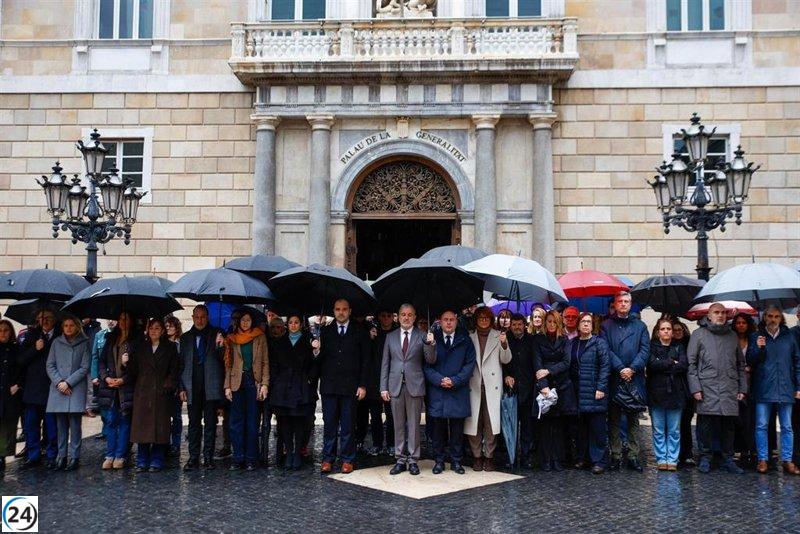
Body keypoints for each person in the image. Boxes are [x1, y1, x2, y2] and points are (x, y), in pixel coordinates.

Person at [687, 302, 747, 474]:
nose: (720, 315)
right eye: (716, 312)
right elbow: (692, 364)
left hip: (729, 386)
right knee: (705, 425)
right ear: (709, 315)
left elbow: (740, 365)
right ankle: (705, 457)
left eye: (723, 312)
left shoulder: (732, 336)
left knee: (728, 426)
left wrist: (742, 389)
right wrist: (695, 388)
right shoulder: (698, 334)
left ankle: (728, 458)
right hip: (707, 388)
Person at [312, 298, 370, 474]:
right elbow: (318, 362)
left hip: (350, 387)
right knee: (329, 425)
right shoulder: (325, 332)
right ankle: (328, 458)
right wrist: (316, 351)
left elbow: (365, 361)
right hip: (330, 386)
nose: (341, 312)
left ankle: (347, 459)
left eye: (344, 309)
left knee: (347, 425)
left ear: (350, 311)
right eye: (337, 309)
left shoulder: (360, 331)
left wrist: (363, 385)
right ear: (333, 311)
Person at [380, 303, 436, 476]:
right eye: (403, 314)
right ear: (398, 316)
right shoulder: (390, 337)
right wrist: (383, 387)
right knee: (397, 424)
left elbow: (431, 360)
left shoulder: (422, 336)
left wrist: (431, 344)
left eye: (410, 315)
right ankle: (400, 459)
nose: (406, 318)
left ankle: (413, 459)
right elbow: (385, 364)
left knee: (413, 424)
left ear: (414, 317)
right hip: (395, 385)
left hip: (415, 385)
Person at [747, 305, 800, 475]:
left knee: (787, 426)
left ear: (781, 318)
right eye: (770, 316)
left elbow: (797, 362)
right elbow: (751, 361)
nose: (773, 319)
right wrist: (759, 348)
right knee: (761, 425)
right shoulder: (756, 336)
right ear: (765, 318)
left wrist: (798, 386)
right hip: (764, 388)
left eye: (777, 316)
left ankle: (787, 460)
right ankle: (763, 459)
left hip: (785, 388)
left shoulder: (789, 337)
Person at [600, 291, 649, 472]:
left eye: (626, 301)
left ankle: (633, 456)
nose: (623, 304)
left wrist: (632, 369)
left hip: (634, 378)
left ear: (631, 304)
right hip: (615, 377)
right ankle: (615, 454)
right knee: (613, 419)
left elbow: (644, 350)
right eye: (620, 301)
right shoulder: (606, 326)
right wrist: (621, 368)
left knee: (633, 419)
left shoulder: (640, 326)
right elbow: (606, 350)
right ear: (615, 303)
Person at [424, 309, 476, 474]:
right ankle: (438, 461)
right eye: (445, 319)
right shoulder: (432, 339)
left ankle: (456, 461)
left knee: (457, 430)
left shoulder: (465, 340)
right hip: (438, 391)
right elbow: (426, 364)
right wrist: (439, 380)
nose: (448, 322)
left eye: (451, 320)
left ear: (456, 321)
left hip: (457, 390)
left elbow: (469, 365)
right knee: (437, 430)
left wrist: (455, 380)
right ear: (439, 321)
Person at [129, 318, 181, 472]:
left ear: (162, 331)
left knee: (160, 428)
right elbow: (133, 371)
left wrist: (168, 383)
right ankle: (142, 460)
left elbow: (175, 369)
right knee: (142, 427)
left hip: (161, 393)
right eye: (151, 328)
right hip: (143, 392)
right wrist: (128, 360)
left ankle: (157, 459)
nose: (154, 331)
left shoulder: (170, 348)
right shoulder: (139, 347)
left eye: (157, 328)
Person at [179, 305, 225, 471]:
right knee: (193, 424)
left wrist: (221, 346)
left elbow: (224, 360)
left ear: (208, 317)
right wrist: (181, 387)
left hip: (211, 386)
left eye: (203, 317)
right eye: (197, 317)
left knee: (211, 423)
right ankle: (193, 457)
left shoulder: (217, 333)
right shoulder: (185, 338)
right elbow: (181, 365)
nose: (200, 320)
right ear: (192, 318)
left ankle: (208, 457)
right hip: (192, 386)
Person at [465, 307, 511, 472]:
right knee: (474, 423)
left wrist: (504, 343)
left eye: (486, 318)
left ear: (491, 320)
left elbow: (506, 360)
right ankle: (477, 456)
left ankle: (489, 456)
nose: (483, 320)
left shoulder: (498, 336)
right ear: (476, 319)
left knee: (491, 423)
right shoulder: (469, 338)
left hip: (492, 386)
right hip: (474, 384)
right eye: (480, 317)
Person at [269, 313, 316, 470]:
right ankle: (288, 452)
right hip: (283, 387)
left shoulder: (308, 341)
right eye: (291, 323)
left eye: (296, 322)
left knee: (299, 421)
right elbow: (274, 364)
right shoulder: (280, 342)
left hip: (301, 386)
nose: (294, 325)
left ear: (300, 324)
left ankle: (297, 453)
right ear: (287, 325)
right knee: (285, 422)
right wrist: (275, 381)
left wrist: (310, 379)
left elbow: (313, 363)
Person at [224, 311, 269, 471]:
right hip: (237, 382)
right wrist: (227, 386)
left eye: (248, 320)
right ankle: (238, 457)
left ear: (252, 322)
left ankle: (251, 458)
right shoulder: (232, 338)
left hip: (253, 381)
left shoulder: (260, 337)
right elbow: (228, 363)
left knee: (252, 421)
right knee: (236, 423)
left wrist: (264, 384)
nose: (245, 323)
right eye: (243, 320)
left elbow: (265, 362)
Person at [533, 310, 578, 471]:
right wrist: (543, 385)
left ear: (559, 323)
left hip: (561, 386)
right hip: (543, 387)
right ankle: (545, 460)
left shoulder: (564, 339)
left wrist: (549, 370)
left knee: (559, 426)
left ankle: (558, 459)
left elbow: (566, 362)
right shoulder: (537, 339)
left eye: (554, 322)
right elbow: (537, 365)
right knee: (544, 426)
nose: (551, 324)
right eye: (549, 321)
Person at [45, 315, 90, 471]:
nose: (69, 328)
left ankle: (75, 457)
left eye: (72, 325)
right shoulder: (56, 343)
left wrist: (68, 382)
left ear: (77, 327)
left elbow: (85, 367)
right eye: (66, 326)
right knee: (61, 425)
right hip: (59, 389)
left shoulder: (84, 343)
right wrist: (59, 382)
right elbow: (50, 365)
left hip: (75, 388)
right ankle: (62, 456)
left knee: (75, 425)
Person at [568, 312, 610, 474]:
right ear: (578, 325)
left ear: (593, 325)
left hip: (594, 391)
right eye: (583, 321)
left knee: (597, 428)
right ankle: (582, 458)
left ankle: (598, 460)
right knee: (581, 428)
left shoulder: (599, 343)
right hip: (577, 391)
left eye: (588, 322)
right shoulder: (573, 343)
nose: (585, 324)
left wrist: (601, 388)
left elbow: (605, 367)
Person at [18, 309, 60, 468]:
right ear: (37, 320)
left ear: (54, 320)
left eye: (49, 318)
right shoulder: (30, 336)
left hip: (51, 388)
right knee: (31, 425)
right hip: (33, 388)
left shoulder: (59, 336)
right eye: (42, 318)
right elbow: (21, 361)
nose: (45, 321)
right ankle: (33, 454)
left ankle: (51, 455)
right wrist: (35, 348)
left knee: (51, 427)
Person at [96, 312, 138, 469]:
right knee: (111, 420)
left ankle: (121, 454)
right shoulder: (111, 338)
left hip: (126, 387)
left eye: (126, 319)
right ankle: (110, 454)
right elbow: (101, 362)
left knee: (125, 421)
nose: (122, 322)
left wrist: (124, 377)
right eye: (120, 319)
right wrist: (105, 378)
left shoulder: (136, 341)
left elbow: (138, 368)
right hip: (111, 387)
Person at [647, 318, 689, 472]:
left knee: (674, 430)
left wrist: (663, 363)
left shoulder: (679, 347)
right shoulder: (652, 347)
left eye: (668, 329)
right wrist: (672, 363)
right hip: (656, 393)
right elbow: (652, 365)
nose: (666, 331)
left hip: (676, 394)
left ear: (672, 332)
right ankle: (661, 458)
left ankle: (672, 458)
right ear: (658, 332)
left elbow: (684, 366)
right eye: (663, 329)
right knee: (658, 429)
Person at [502, 313, 538, 469]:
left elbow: (535, 362)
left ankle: (526, 456)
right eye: (514, 324)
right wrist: (505, 376)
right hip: (510, 389)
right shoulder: (505, 339)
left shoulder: (532, 340)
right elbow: (500, 363)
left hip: (528, 388)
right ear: (510, 325)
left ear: (524, 325)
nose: (517, 327)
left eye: (519, 324)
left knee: (527, 427)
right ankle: (509, 455)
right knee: (509, 423)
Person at [356, 313, 387, 457]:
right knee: (361, 414)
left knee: (375, 415)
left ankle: (378, 443)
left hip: (374, 379)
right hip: (362, 378)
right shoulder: (357, 329)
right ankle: (359, 441)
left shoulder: (376, 330)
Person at [731, 313, 757, 468]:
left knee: (749, 418)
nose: (741, 325)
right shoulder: (731, 339)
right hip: (734, 382)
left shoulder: (753, 339)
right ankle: (736, 448)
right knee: (736, 418)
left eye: (743, 322)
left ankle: (748, 448)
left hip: (751, 382)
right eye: (738, 322)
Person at [371, 309, 398, 455]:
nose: (386, 318)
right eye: (383, 315)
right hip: (375, 378)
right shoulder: (373, 333)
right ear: (379, 317)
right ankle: (377, 443)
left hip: (393, 378)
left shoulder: (398, 332)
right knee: (375, 415)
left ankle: (391, 443)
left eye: (389, 315)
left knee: (392, 414)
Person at [671, 319, 695, 467]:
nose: (677, 332)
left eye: (680, 329)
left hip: (687, 389)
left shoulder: (690, 344)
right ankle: (676, 453)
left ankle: (688, 453)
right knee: (674, 424)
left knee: (685, 422)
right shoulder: (669, 345)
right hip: (673, 389)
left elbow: (686, 365)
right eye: (675, 330)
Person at [90, 319, 116, 441]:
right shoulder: (99, 335)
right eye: (109, 320)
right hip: (101, 376)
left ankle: (113, 430)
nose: (111, 322)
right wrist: (94, 375)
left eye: (113, 320)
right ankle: (105, 429)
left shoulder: (119, 335)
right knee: (103, 405)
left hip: (114, 375)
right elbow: (95, 356)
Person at [0, 320, 22, 469]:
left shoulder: (16, 349)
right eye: (0, 330)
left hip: (10, 394)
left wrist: (18, 384)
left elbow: (23, 368)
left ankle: (2, 455)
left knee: (7, 427)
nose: (3, 333)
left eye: (6, 330)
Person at [164, 316, 184, 458]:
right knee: (164, 415)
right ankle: (164, 442)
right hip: (164, 385)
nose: (169, 328)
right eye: (167, 326)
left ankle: (175, 444)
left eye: (171, 326)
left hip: (177, 385)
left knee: (176, 416)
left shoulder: (180, 344)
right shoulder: (161, 344)